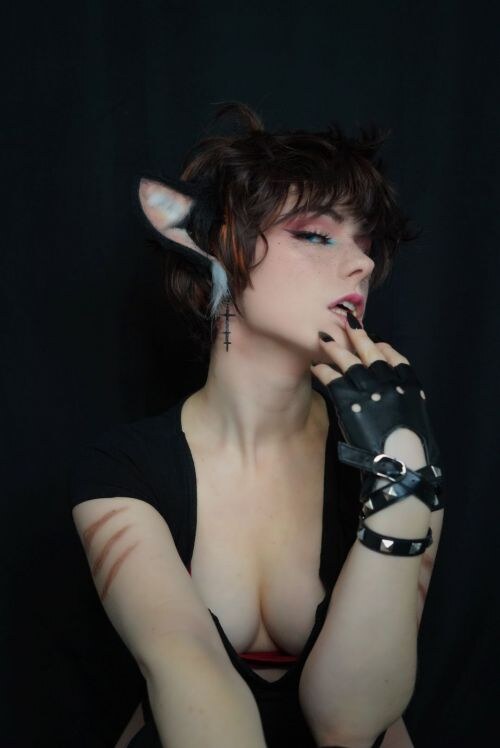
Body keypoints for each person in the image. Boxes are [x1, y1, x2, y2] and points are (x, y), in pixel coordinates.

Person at [68, 101, 445, 748]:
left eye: (365, 242)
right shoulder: (123, 472)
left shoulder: (400, 456)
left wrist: (405, 487)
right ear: (219, 246)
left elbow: (353, 722)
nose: (360, 263)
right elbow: (189, 679)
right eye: (316, 235)